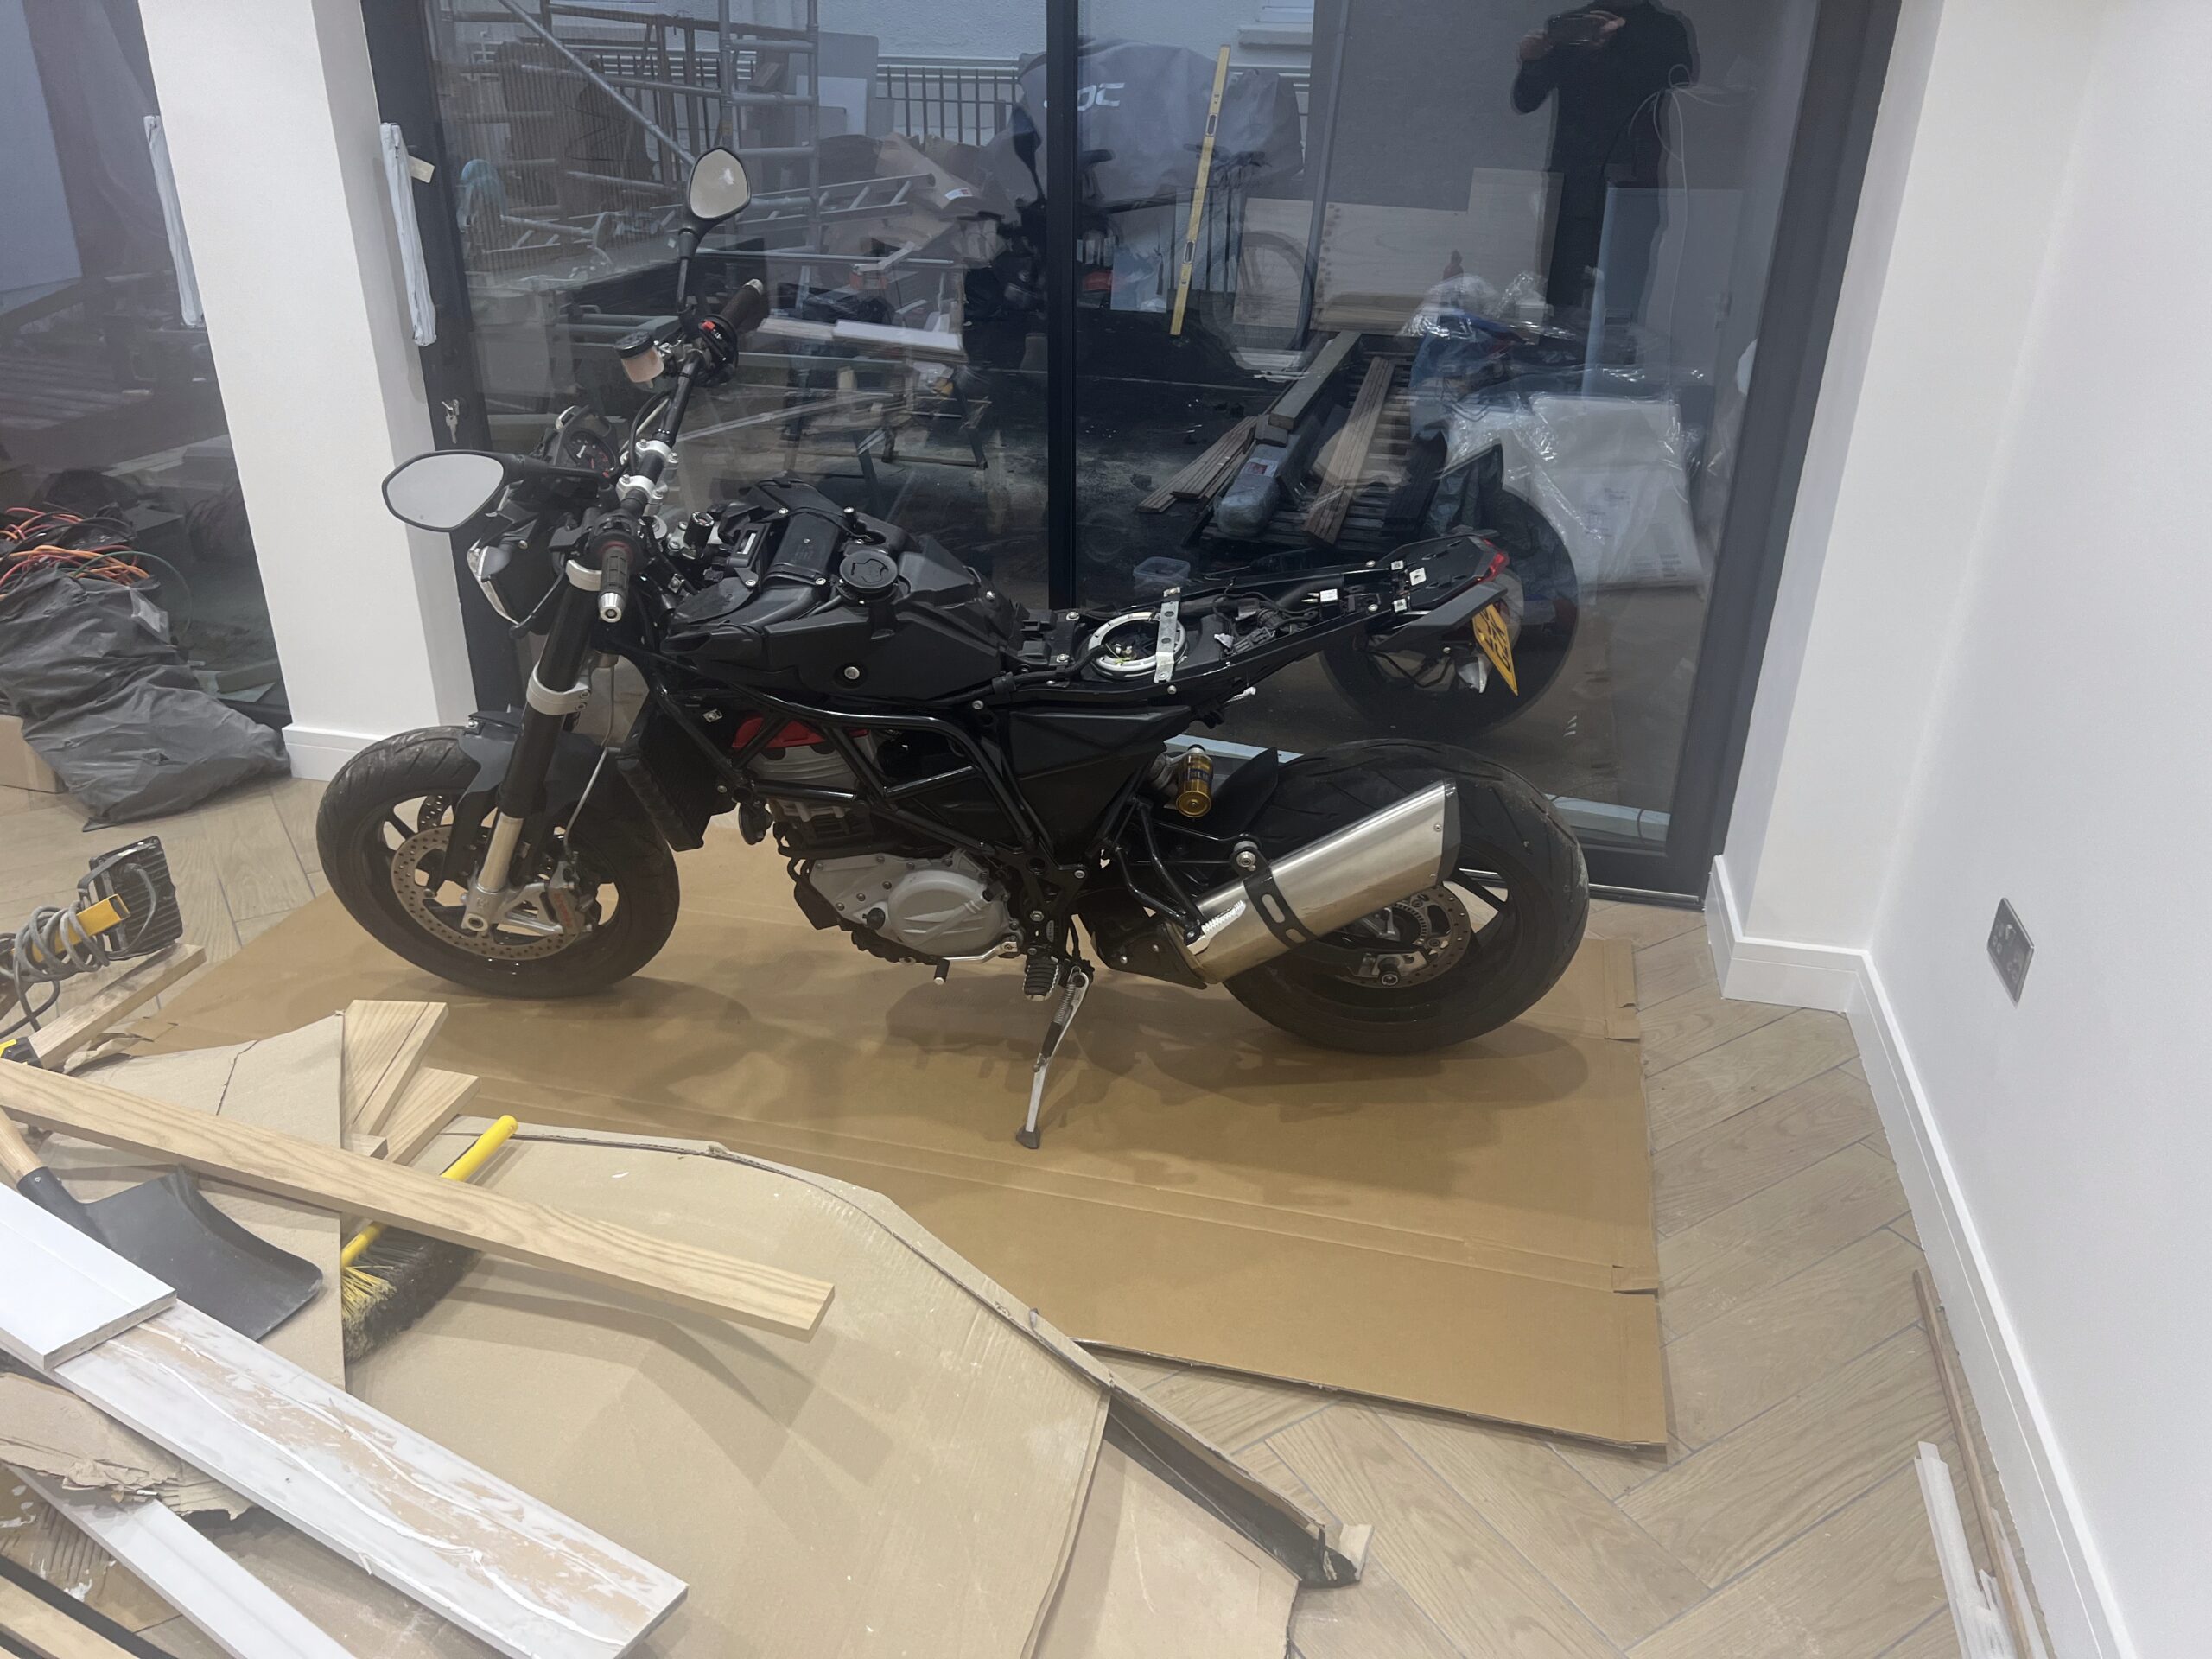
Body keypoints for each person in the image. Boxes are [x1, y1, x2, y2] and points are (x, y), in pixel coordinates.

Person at [1512, 3, 1697, 327]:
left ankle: (1614, 346)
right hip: (1573, 180)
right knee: (1561, 295)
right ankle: (1558, 347)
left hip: (1633, 179)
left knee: (1623, 293)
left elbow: (1681, 80)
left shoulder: (1663, 29)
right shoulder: (1573, 28)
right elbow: (1525, 100)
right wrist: (1532, 60)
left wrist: (1617, 43)